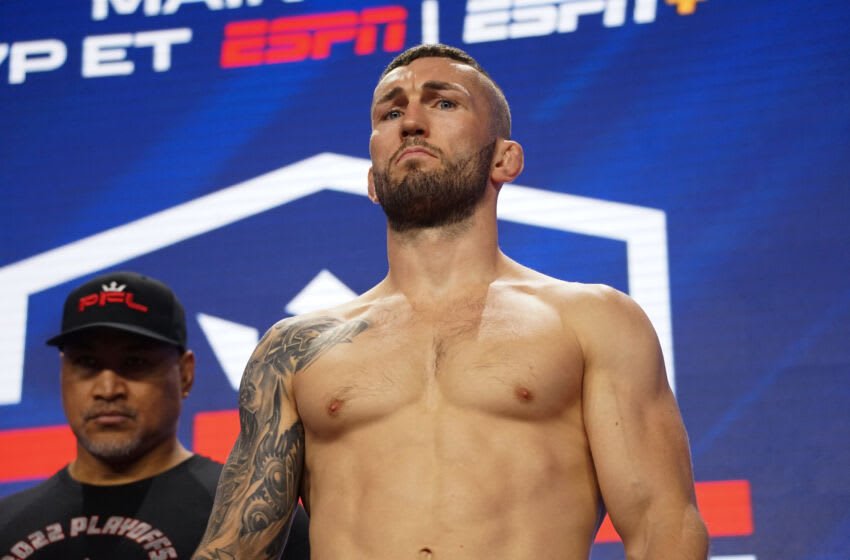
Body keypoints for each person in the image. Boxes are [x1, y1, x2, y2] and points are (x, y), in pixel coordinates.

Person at [193, 44, 709, 559]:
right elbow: (232, 550)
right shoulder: (295, 349)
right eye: (391, 112)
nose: (411, 122)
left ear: (505, 158)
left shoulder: (590, 321)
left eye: (443, 104)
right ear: (372, 180)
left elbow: (662, 526)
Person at [0, 270, 309, 560]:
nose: (108, 389)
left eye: (135, 363)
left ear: (185, 374)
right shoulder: (6, 522)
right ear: (62, 373)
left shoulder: (258, 517)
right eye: (87, 363)